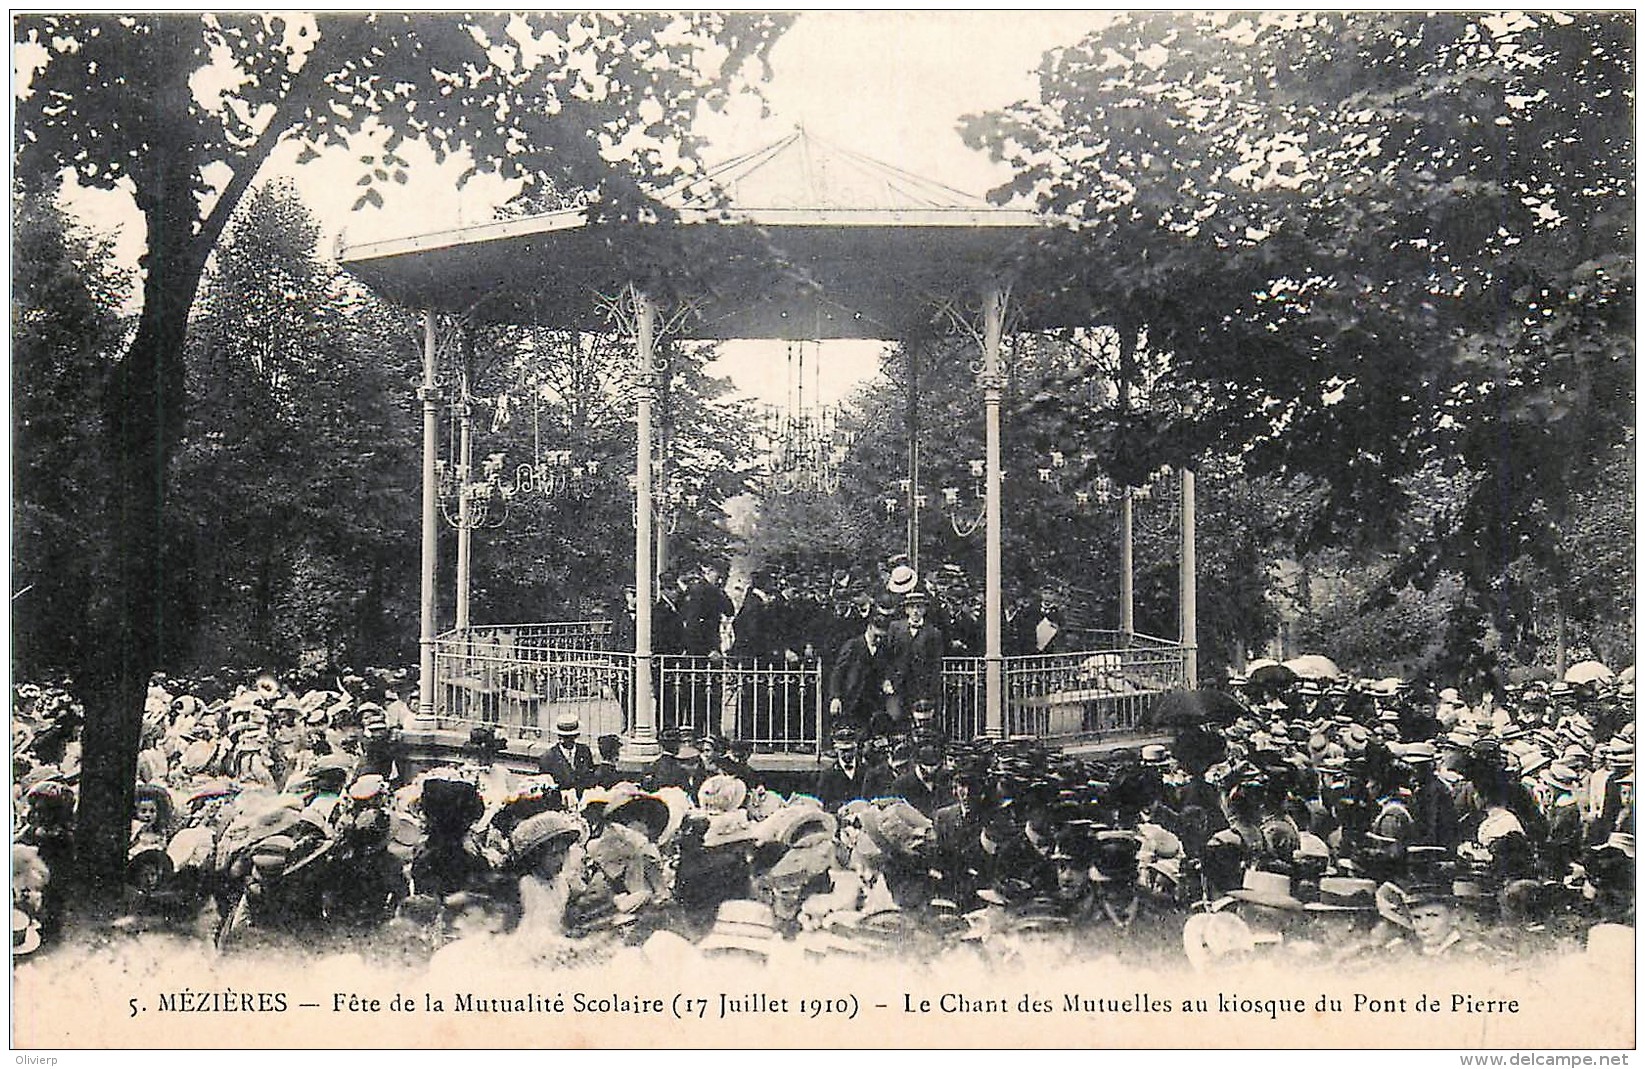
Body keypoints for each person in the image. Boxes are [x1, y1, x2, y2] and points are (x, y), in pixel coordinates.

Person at [827, 596, 901, 735]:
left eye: (882, 637)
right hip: (852, 700)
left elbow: (888, 668)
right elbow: (838, 672)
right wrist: (835, 697)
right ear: (870, 627)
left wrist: (887, 680)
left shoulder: (884, 648)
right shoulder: (853, 645)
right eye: (876, 636)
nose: (878, 640)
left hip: (874, 702)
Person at [890, 590, 945, 718]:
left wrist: (931, 689)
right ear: (906, 610)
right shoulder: (895, 628)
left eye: (919, 607)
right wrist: (888, 679)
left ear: (924, 610)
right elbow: (888, 656)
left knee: (920, 720)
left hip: (921, 686)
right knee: (897, 719)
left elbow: (936, 663)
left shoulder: (933, 633)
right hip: (898, 683)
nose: (915, 611)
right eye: (911, 607)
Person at [539, 712, 595, 792]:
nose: (568, 740)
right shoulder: (548, 757)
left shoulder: (584, 751)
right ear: (559, 736)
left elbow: (590, 777)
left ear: (577, 735)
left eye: (571, 737)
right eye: (565, 737)